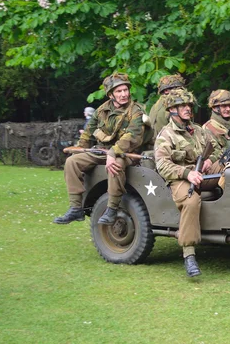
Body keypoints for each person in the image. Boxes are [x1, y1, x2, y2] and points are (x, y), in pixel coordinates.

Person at [53, 73, 147, 225]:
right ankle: (76, 208)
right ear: (111, 95)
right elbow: (88, 133)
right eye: (119, 91)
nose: (124, 94)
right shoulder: (102, 110)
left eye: (125, 90)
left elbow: (132, 136)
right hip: (102, 151)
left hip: (125, 153)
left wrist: (113, 152)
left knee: (115, 165)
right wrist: (79, 148)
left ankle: (112, 208)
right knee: (72, 162)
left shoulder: (135, 110)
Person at [154, 88, 221, 277]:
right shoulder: (166, 135)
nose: (187, 109)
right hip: (180, 178)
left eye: (189, 105)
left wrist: (210, 160)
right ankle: (189, 254)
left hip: (203, 173)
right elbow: (162, 165)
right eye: (182, 105)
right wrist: (186, 173)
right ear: (172, 109)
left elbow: (216, 148)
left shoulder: (198, 130)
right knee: (191, 201)